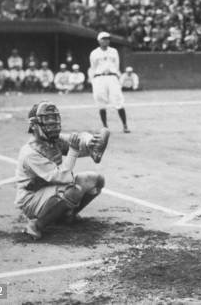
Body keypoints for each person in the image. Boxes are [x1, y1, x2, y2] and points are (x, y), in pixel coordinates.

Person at [15, 101, 110, 240]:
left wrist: (91, 142)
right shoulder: (30, 153)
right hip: (31, 199)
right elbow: (63, 176)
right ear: (35, 126)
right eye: (48, 122)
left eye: (54, 122)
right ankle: (36, 225)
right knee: (73, 190)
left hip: (50, 189)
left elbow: (78, 139)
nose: (53, 126)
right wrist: (73, 150)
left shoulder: (52, 140)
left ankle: (66, 215)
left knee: (96, 180)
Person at [90, 32, 130, 133]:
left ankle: (125, 125)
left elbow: (117, 65)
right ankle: (105, 126)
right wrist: (94, 79)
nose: (106, 40)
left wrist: (115, 74)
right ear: (99, 40)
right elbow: (93, 67)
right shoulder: (94, 53)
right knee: (100, 101)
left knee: (118, 100)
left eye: (108, 39)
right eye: (103, 39)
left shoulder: (114, 51)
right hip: (100, 78)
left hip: (112, 77)